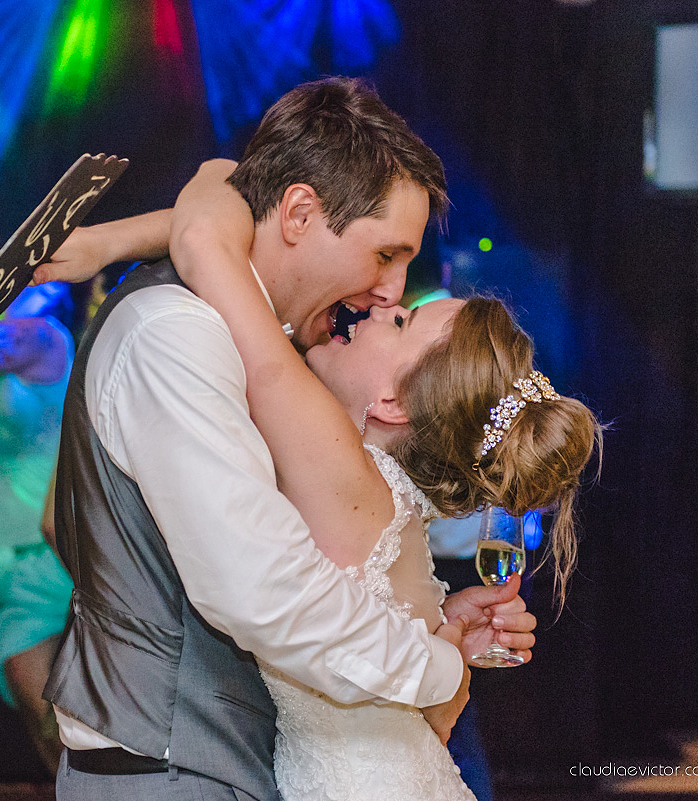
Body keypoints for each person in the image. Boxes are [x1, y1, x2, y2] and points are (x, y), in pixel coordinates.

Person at [31, 77, 538, 801]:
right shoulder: (179, 332)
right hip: (172, 774)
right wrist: (437, 661)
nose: (392, 292)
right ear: (300, 212)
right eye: (385, 254)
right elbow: (265, 591)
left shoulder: (248, 335)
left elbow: (214, 194)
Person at [0, 284, 77, 775]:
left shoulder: (45, 335)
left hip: (47, 549)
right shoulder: (3, 337)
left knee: (54, 722)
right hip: (13, 548)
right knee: (41, 723)